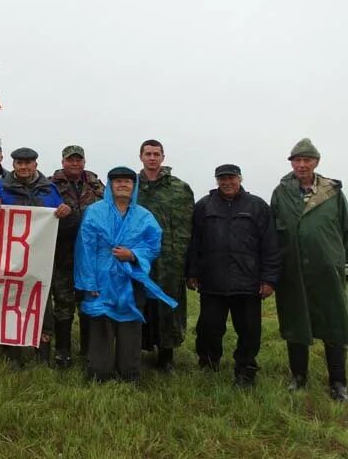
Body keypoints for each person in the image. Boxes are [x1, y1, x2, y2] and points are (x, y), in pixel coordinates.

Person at [74, 166, 176, 383]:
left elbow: (153, 245)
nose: (122, 185)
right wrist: (88, 282)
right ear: (110, 186)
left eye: (127, 182)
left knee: (130, 326)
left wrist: (133, 254)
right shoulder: (95, 211)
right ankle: (99, 373)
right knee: (101, 324)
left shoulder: (144, 216)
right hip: (101, 278)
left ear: (134, 186)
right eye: (117, 181)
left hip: (130, 279)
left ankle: (129, 373)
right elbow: (85, 248)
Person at [186, 164, 280, 388]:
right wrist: (192, 272)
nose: (227, 182)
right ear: (216, 180)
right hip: (212, 282)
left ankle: (245, 369)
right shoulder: (204, 206)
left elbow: (270, 245)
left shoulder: (257, 206)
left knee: (249, 330)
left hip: (247, 282)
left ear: (240, 178)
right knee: (208, 327)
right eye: (222, 179)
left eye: (231, 178)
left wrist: (269, 279)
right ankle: (208, 363)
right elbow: (194, 243)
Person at [272, 138, 348, 401]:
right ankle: (299, 376)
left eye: (307, 160)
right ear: (291, 163)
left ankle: (338, 382)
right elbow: (274, 231)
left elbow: (344, 230)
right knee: (296, 322)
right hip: (292, 271)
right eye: (297, 160)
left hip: (328, 270)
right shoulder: (281, 192)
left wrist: (339, 261)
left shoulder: (333, 192)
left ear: (316, 162)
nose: (302, 165)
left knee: (334, 323)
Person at [0, 147, 70, 368]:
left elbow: (59, 219)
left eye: (28, 163)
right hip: (12, 259)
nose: (24, 167)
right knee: (12, 301)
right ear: (13, 165)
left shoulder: (49, 189)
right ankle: (13, 352)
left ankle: (42, 352)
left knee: (43, 303)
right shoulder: (0, 188)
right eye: (19, 163)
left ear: (35, 164)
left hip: (42, 258)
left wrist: (64, 211)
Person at [136, 139, 194, 372]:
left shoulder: (179, 188)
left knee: (167, 306)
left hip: (170, 259)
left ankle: (166, 355)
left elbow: (187, 226)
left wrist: (183, 259)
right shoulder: (132, 187)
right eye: (148, 153)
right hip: (137, 257)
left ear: (163, 157)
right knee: (140, 302)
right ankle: (138, 349)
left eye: (156, 154)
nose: (152, 158)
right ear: (141, 156)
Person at [49, 145, 104, 368]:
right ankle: (62, 351)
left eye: (78, 160)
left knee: (88, 301)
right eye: (70, 160)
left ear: (84, 161)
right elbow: (41, 209)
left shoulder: (97, 184)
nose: (74, 163)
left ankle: (88, 349)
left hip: (91, 257)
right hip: (62, 252)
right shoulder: (50, 184)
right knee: (63, 302)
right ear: (63, 162)